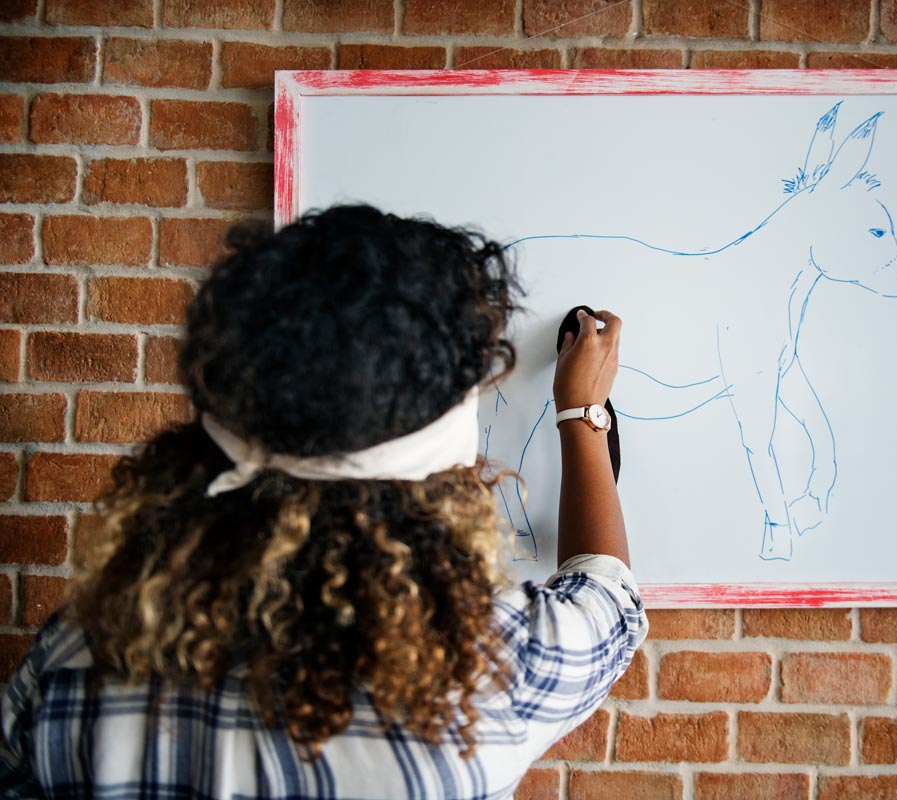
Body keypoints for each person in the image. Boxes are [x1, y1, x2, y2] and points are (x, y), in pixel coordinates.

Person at [0, 205, 645, 799]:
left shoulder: (76, 662)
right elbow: (610, 591)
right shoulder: (494, 671)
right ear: (443, 475)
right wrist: (581, 410)